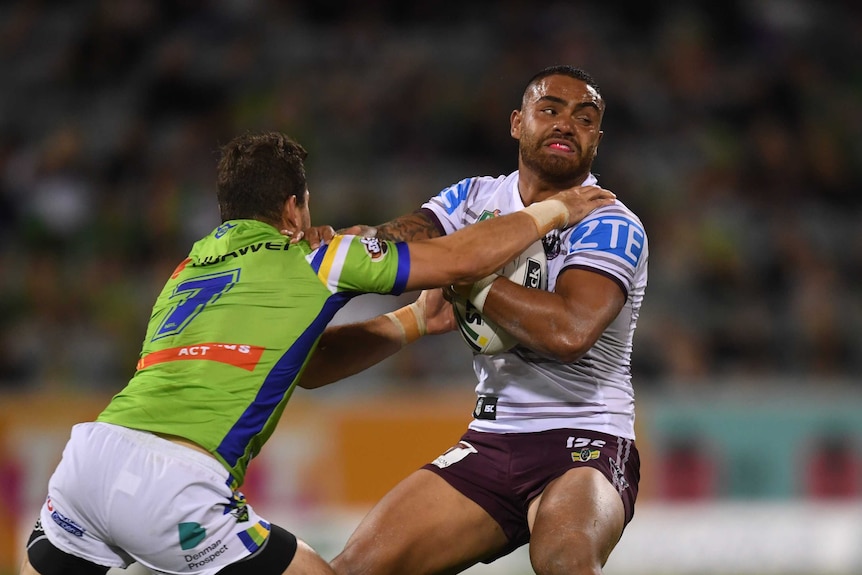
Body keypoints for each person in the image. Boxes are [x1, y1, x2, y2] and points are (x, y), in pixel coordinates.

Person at [19, 131, 615, 575]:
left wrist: (410, 322)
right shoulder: (317, 259)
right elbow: (460, 260)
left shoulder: (185, 271)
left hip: (85, 465)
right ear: (293, 209)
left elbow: (309, 363)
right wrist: (554, 209)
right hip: (178, 484)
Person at [323, 65, 649, 574]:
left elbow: (568, 333)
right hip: (492, 441)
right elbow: (402, 238)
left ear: (597, 139)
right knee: (353, 569)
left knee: (564, 559)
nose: (566, 124)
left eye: (584, 118)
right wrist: (343, 245)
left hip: (587, 438)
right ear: (518, 123)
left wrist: (464, 274)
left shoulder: (610, 220)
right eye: (550, 110)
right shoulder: (474, 199)